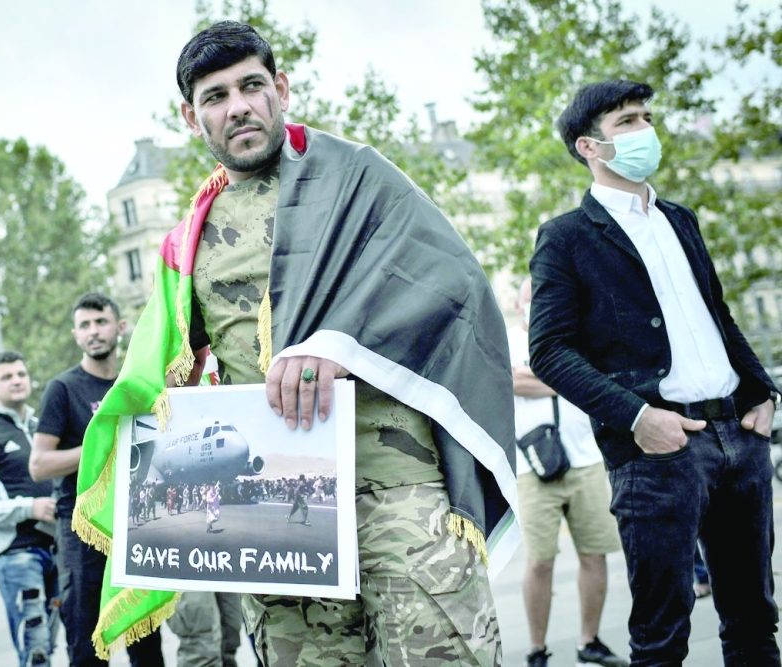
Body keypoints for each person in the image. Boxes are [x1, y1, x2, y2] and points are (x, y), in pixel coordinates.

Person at [73, 21, 518, 666]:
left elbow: (453, 289)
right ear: (191, 118)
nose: (239, 107)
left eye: (252, 86)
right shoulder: (184, 241)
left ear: (279, 89)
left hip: (396, 490)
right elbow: (171, 370)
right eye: (215, 97)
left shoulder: (362, 183)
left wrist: (342, 345)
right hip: (274, 510)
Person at [529, 79, 780, 665]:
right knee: (662, 636)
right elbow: (549, 351)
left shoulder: (680, 219)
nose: (646, 131)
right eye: (628, 123)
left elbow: (716, 314)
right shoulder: (566, 238)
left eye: (646, 117)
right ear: (590, 147)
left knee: (753, 620)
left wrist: (763, 390)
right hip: (660, 453)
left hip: (739, 439)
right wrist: (639, 418)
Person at [28, 293, 163, 667]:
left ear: (120, 327)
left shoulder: (135, 382)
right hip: (82, 528)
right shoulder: (63, 388)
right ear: (75, 335)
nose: (94, 332)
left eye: (101, 322)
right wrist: (103, 447)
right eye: (85, 325)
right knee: (87, 643)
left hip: (136, 522)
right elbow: (39, 465)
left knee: (146, 639)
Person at [509, 278, 627, 667]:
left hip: (586, 461)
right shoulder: (506, 340)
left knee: (595, 555)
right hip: (532, 468)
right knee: (539, 562)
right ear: (517, 302)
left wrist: (547, 380)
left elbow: (595, 379)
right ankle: (537, 649)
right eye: (530, 299)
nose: (536, 305)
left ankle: (588, 642)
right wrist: (567, 378)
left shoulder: (577, 334)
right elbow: (510, 380)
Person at [0, 350, 59, 667]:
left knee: (51, 644)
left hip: (59, 551)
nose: (17, 381)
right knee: (35, 650)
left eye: (21, 374)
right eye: (7, 377)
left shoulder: (44, 426)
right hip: (17, 553)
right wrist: (30, 507)